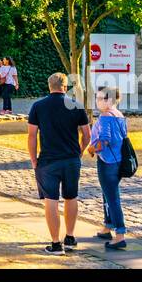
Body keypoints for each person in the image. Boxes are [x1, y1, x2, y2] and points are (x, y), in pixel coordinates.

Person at [27, 72, 91, 254]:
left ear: (49, 86)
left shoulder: (38, 106)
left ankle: (55, 243)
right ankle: (70, 237)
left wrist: (33, 160)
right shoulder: (76, 106)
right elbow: (87, 135)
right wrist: (79, 152)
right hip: (71, 159)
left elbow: (32, 136)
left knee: (51, 199)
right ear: (65, 87)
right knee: (71, 197)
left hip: (48, 160)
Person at [88, 86, 128, 250]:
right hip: (118, 160)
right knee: (107, 195)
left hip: (108, 161)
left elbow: (104, 139)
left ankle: (120, 234)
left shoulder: (105, 116)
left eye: (101, 98)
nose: (97, 101)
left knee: (112, 197)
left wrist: (91, 149)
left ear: (110, 100)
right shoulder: (118, 115)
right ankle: (107, 226)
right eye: (97, 98)